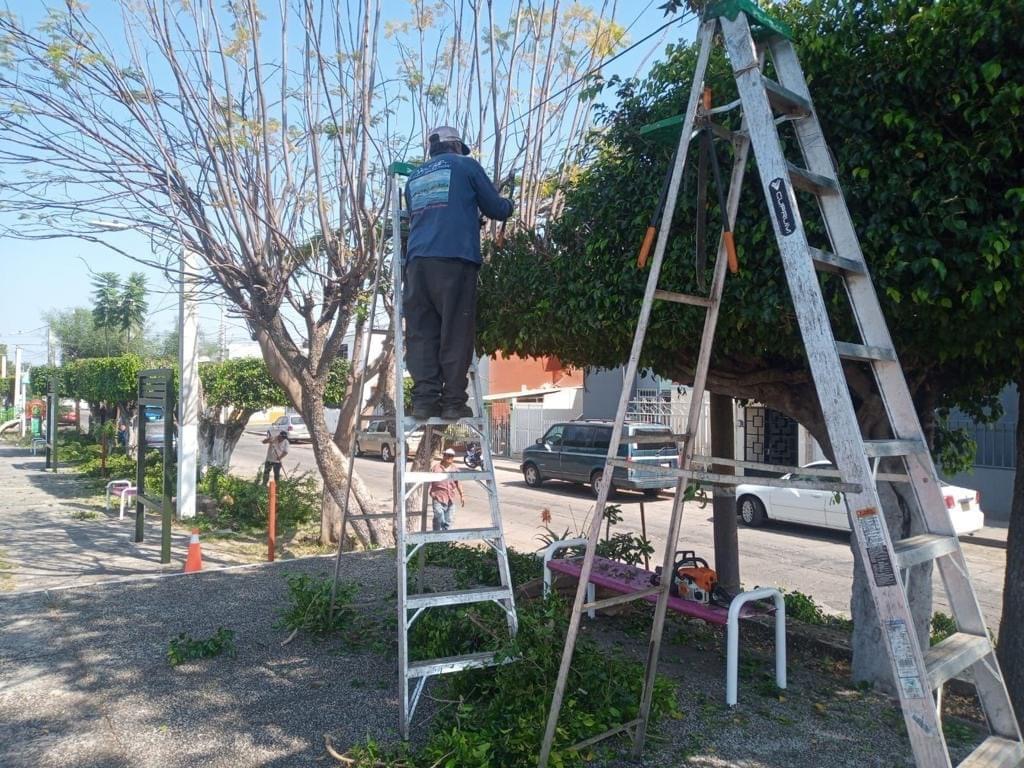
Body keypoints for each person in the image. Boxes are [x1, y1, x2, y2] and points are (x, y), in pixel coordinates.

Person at [404, 125, 514, 421]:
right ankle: (453, 401)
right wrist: (509, 203)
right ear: (455, 146)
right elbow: (497, 209)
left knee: (421, 333)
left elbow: (424, 214)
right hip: (454, 260)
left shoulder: (414, 177)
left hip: (416, 264)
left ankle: (424, 401)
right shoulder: (467, 166)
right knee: (455, 330)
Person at [429, 447, 464, 531]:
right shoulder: (436, 468)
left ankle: (445, 540)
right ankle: (436, 539)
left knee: (449, 520)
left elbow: (458, 482)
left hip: (450, 499)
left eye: (451, 456)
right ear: (443, 456)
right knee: (438, 515)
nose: (449, 457)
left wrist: (462, 495)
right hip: (438, 497)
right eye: (447, 455)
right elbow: (429, 480)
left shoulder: (455, 469)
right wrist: (431, 492)